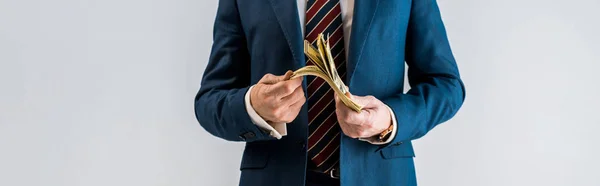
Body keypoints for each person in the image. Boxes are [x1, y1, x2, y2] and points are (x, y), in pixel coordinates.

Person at [194, 0, 465, 185]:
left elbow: (446, 84)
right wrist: (253, 106)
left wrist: (389, 120)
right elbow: (209, 100)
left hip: (381, 175)